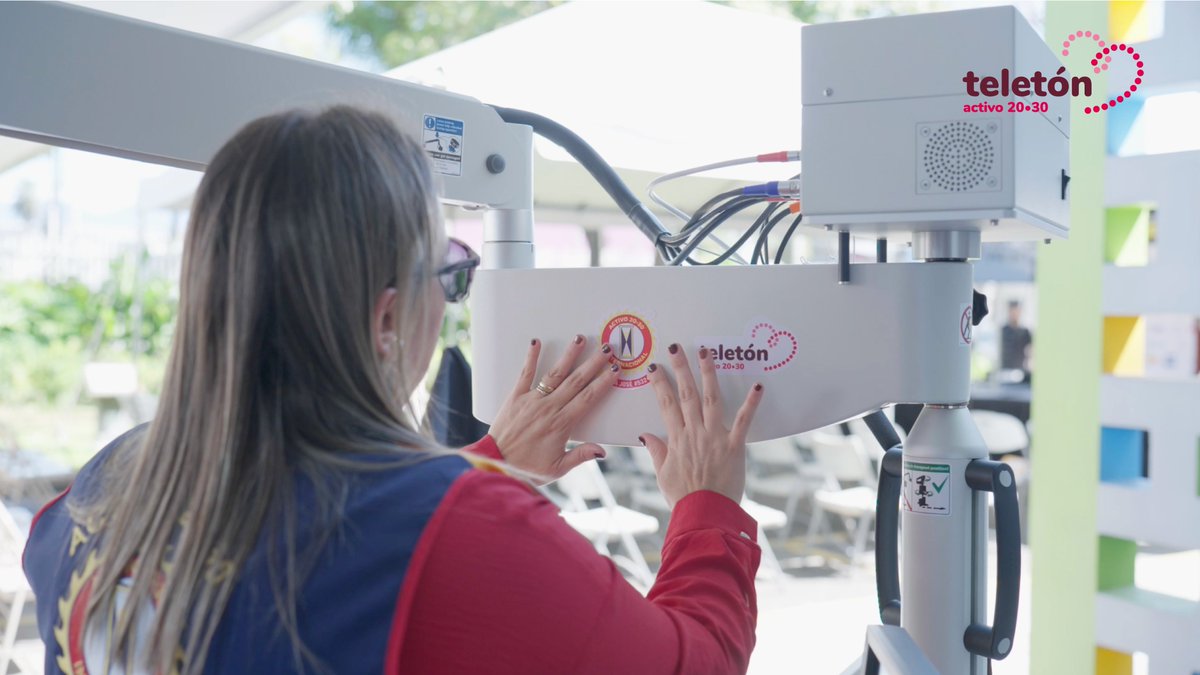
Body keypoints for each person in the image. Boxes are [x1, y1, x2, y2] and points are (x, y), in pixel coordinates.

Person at [22, 107, 766, 675]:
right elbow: (690, 663)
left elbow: (302, 541)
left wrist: (486, 465)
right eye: (447, 274)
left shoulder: (101, 487)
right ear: (386, 319)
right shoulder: (453, 528)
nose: (448, 299)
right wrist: (709, 508)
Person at [999, 300, 1032, 375]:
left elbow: (1030, 350)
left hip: (1020, 370)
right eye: (1012, 312)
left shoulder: (1025, 332)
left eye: (1016, 312)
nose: (1014, 314)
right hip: (1004, 370)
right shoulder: (1003, 331)